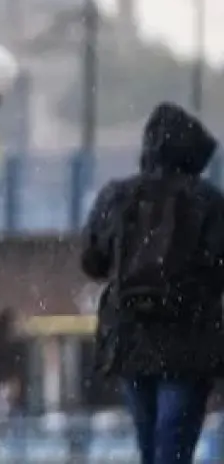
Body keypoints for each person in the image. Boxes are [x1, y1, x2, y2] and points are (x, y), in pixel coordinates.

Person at [81, 102, 224, 464]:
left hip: (131, 337)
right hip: (189, 340)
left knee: (149, 438)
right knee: (173, 441)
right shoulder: (208, 201)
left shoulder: (117, 196)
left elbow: (92, 262)